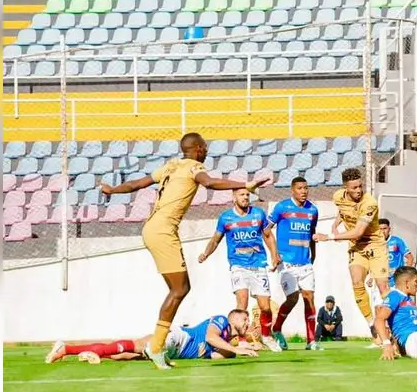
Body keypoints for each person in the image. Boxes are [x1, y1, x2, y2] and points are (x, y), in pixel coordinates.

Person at [99, 132, 271, 370]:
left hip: (153, 228)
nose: (208, 150)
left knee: (178, 288)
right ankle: (156, 347)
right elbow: (210, 183)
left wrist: (112, 190)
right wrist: (245, 184)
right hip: (163, 231)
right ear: (198, 148)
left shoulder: (171, 166)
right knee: (180, 289)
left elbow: (138, 183)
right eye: (206, 147)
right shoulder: (193, 167)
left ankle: (157, 345)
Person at [197, 188, 283, 352]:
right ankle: (242, 340)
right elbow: (215, 240)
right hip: (238, 265)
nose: (245, 197)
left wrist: (275, 254)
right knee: (242, 302)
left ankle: (266, 336)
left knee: (265, 307)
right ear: (234, 197)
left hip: (258, 264)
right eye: (241, 195)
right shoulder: (225, 218)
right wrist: (205, 253)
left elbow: (268, 235)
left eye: (247, 195)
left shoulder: (258, 214)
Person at [314, 167, 388, 345]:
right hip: (357, 248)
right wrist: (335, 223)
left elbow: (357, 232)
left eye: (360, 186)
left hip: (374, 245)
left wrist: (329, 236)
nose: (358, 190)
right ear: (345, 188)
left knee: (383, 288)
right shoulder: (338, 196)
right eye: (354, 187)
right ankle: (372, 324)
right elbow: (343, 210)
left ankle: (392, 325)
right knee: (356, 282)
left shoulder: (369, 203)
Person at [44, 309, 259, 365]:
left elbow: (215, 356)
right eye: (245, 319)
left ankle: (85, 353)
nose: (247, 323)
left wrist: (241, 347)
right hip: (177, 339)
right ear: (234, 319)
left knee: (123, 356)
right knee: (135, 345)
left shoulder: (225, 344)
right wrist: (237, 348)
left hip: (176, 352)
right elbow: (211, 337)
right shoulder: (221, 321)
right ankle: (65, 349)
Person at [264, 176, 322, 350]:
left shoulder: (313, 210)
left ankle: (311, 341)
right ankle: (276, 328)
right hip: (286, 263)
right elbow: (265, 230)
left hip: (305, 262)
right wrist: (274, 254)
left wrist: (313, 255)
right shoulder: (282, 207)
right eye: (299, 188)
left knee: (309, 298)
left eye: (306, 188)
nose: (303, 191)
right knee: (292, 298)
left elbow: (312, 235)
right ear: (292, 190)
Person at [379, 218, 414, 288]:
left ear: (389, 229)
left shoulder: (397, 241)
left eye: (385, 228)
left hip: (396, 281)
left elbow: (410, 257)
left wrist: (406, 275)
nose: (382, 231)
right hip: (381, 280)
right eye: (380, 229)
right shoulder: (375, 243)